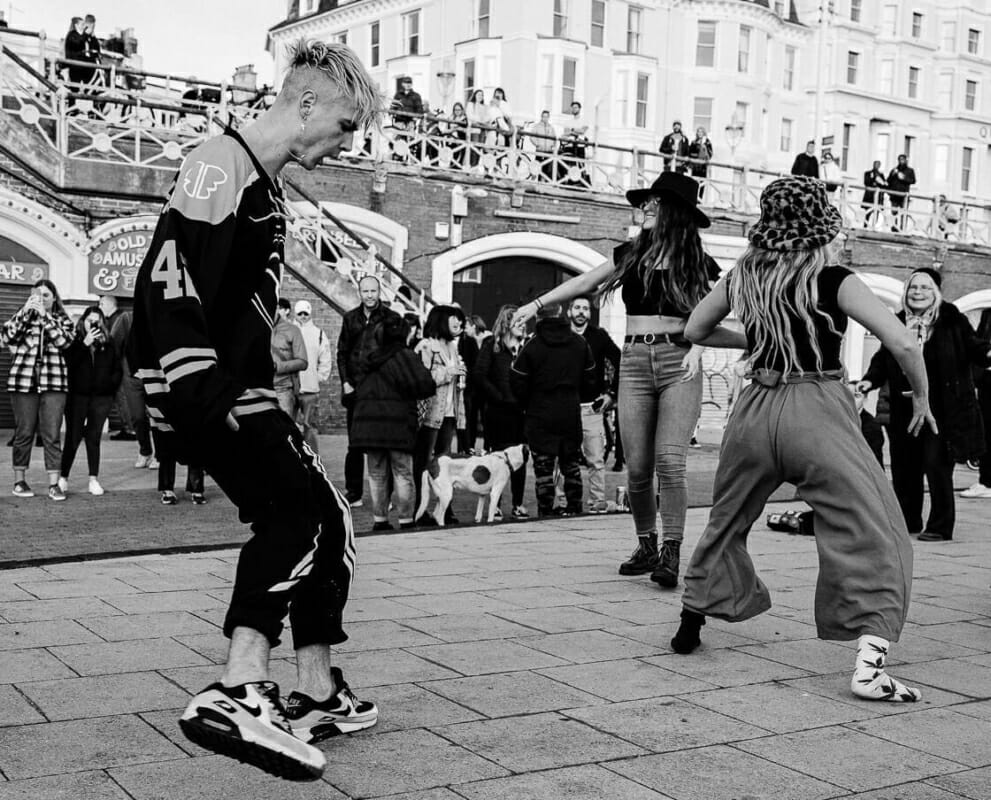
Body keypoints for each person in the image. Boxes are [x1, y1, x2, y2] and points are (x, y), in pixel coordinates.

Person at [128, 39, 382, 780]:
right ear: (305, 105)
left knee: (327, 517)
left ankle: (315, 691)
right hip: (206, 387)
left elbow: (231, 298)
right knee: (292, 517)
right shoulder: (218, 160)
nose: (345, 143)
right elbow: (166, 285)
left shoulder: (266, 188)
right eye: (341, 125)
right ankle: (239, 685)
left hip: (235, 383)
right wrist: (198, 388)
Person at [672, 175, 935, 706]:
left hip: (753, 410)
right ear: (821, 224)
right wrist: (923, 399)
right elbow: (904, 341)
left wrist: (761, 338)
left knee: (728, 517)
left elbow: (695, 330)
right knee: (876, 527)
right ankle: (870, 667)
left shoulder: (745, 272)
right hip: (817, 409)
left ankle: (689, 624)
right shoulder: (835, 277)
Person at [514, 172, 718, 587]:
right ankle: (646, 544)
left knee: (670, 461)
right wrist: (536, 303)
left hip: (679, 359)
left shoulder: (697, 261)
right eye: (644, 203)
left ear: (672, 211)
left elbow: (710, 313)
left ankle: (670, 553)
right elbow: (586, 281)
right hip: (636, 361)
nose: (644, 208)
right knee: (638, 467)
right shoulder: (631, 253)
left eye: (653, 203)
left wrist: (698, 347)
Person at [858, 268, 990, 541]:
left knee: (937, 465)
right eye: (913, 288)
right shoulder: (895, 322)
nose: (918, 293)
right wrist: (868, 382)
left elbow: (974, 347)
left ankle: (940, 526)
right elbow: (883, 359)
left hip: (942, 409)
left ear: (936, 293)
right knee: (905, 467)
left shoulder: (951, 320)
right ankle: (908, 520)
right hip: (903, 407)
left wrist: (987, 353)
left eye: (925, 288)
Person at [351, 316, 436, 531]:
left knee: (377, 474)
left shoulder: (370, 358)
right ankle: (406, 520)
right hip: (398, 424)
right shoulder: (405, 357)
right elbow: (425, 385)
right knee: (403, 472)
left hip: (369, 425)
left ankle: (380, 520)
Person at [510, 303, 595, 517]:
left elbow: (517, 381)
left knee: (543, 470)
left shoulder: (533, 345)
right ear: (561, 314)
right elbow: (590, 379)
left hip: (540, 411)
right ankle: (575, 508)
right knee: (572, 466)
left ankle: (545, 512)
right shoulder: (579, 343)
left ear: (538, 318)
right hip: (569, 410)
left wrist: (527, 403)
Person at [2, 279, 75, 500]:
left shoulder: (63, 320)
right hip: (23, 382)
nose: (41, 299)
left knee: (52, 434)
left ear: (54, 299)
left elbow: (65, 342)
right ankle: (19, 481)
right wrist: (26, 313)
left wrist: (46, 318)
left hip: (54, 383)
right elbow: (7, 337)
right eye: (38, 295)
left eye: (46, 295)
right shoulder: (22, 316)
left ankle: (54, 484)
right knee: (23, 432)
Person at [337, 275, 400, 507]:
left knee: (383, 444)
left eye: (373, 291)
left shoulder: (391, 319)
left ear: (379, 291)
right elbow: (342, 353)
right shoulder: (350, 318)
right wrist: (345, 382)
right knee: (354, 444)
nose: (370, 295)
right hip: (354, 390)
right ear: (359, 292)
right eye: (365, 291)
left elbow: (396, 354)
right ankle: (353, 492)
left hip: (381, 391)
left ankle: (386, 495)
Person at [560, 295, 620, 513]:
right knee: (563, 459)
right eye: (577, 307)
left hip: (591, 407)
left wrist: (612, 394)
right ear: (569, 312)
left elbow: (620, 360)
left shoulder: (599, 336)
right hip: (564, 407)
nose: (581, 312)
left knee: (595, 460)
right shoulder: (560, 336)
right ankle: (562, 502)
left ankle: (597, 502)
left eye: (585, 308)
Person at [57, 306, 122, 497]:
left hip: (101, 398)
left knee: (94, 438)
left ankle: (93, 479)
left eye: (97, 320)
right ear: (83, 321)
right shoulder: (74, 340)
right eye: (89, 320)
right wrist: (85, 344)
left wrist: (110, 387)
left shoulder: (108, 343)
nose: (93, 324)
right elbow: (69, 364)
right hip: (77, 396)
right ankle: (63, 478)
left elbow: (117, 368)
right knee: (73, 436)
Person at [474, 305, 529, 518]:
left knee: (520, 458)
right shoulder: (492, 346)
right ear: (506, 323)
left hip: (520, 412)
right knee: (496, 457)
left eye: (524, 322)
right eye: (518, 322)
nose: (523, 326)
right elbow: (480, 375)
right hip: (497, 412)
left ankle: (517, 503)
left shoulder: (526, 348)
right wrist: (498, 397)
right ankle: (495, 503)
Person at [413, 304, 467, 519]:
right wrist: (449, 372)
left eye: (461, 322)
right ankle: (420, 508)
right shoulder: (426, 346)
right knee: (423, 462)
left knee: (444, 463)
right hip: (430, 414)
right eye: (455, 320)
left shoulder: (454, 348)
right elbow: (422, 379)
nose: (459, 324)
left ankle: (443, 507)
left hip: (449, 413)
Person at [293, 299, 332, 453]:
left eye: (305, 313)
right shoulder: (288, 332)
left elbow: (325, 359)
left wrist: (319, 377)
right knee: (289, 425)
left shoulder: (319, 334)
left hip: (310, 388)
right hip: (290, 388)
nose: (303, 316)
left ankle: (312, 459)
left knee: (310, 427)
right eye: (300, 313)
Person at [98, 294, 135, 441]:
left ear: (110, 304)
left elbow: (114, 344)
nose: (100, 307)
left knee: (123, 396)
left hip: (122, 365)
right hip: (124, 364)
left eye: (101, 304)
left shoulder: (118, 319)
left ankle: (131, 429)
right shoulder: (116, 319)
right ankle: (129, 428)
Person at [963, 308, 991, 498]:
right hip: (988, 380)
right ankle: (986, 482)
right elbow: (978, 346)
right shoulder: (988, 314)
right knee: (986, 432)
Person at [271, 298, 308, 419]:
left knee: (285, 431)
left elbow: (303, 362)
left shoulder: (293, 330)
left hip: (283, 388)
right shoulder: (257, 327)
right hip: (259, 387)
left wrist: (278, 366)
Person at [886, 154, 916, 232]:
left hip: (904, 195)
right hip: (894, 195)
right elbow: (888, 180)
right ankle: (894, 227)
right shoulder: (894, 170)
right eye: (900, 159)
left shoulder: (910, 170)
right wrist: (893, 175)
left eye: (902, 159)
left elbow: (913, 181)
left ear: (906, 160)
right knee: (894, 212)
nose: (901, 161)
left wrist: (904, 178)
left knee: (904, 213)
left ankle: (902, 229)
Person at [528, 110, 557, 181]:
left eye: (547, 117)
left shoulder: (551, 127)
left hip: (548, 151)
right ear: (541, 117)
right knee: (536, 168)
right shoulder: (537, 126)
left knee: (546, 170)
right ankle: (533, 182)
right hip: (540, 150)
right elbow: (532, 136)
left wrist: (553, 146)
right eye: (544, 116)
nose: (545, 118)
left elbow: (554, 138)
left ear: (548, 117)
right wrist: (537, 144)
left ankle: (543, 184)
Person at [688, 127, 713, 197]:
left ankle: (700, 198)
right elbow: (690, 153)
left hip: (703, 167)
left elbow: (710, 154)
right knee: (694, 182)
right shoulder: (694, 142)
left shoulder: (707, 142)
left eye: (701, 132)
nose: (700, 133)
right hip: (695, 166)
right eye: (698, 131)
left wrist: (704, 147)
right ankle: (693, 196)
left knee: (702, 183)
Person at [862, 160, 887, 228]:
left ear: (879, 166)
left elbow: (884, 185)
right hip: (870, 195)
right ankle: (865, 225)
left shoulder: (881, 175)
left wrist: (880, 182)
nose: (876, 166)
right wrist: (873, 179)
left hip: (878, 196)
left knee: (877, 211)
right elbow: (866, 182)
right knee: (868, 211)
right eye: (875, 164)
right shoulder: (868, 173)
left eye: (878, 165)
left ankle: (874, 226)